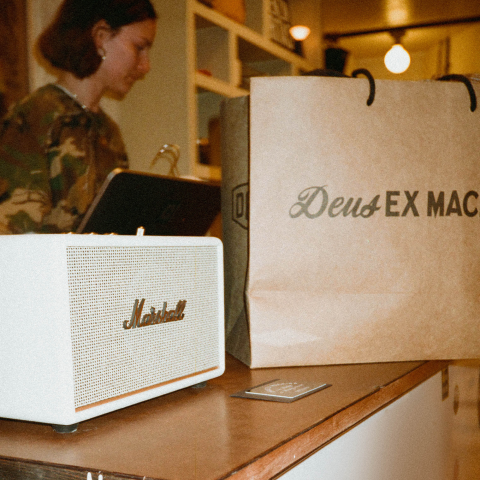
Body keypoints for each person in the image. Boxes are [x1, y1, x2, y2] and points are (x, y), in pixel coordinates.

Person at [0, 0, 157, 234]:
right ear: (101, 37)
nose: (145, 66)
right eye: (139, 47)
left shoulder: (109, 132)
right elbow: (16, 238)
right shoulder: (35, 117)